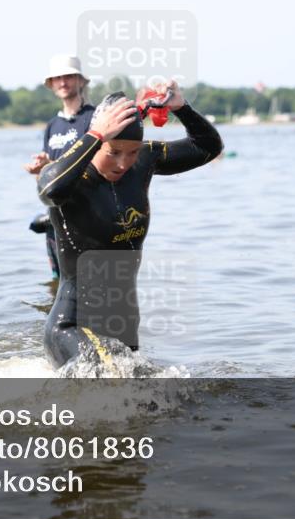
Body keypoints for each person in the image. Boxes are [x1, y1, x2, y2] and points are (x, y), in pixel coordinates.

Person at [36, 80, 223, 368]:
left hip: (122, 324)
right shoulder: (72, 177)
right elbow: (49, 190)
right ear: (97, 141)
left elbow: (208, 147)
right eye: (113, 152)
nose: (123, 163)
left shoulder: (144, 161)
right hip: (73, 325)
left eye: (132, 152)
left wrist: (181, 108)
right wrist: (96, 133)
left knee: (144, 404)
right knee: (109, 384)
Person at [25, 54, 95, 278]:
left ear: (81, 81)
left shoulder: (93, 118)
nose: (63, 82)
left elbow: (97, 166)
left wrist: (52, 165)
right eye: (58, 78)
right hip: (56, 216)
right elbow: (47, 182)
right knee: (59, 283)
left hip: (87, 213)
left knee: (89, 281)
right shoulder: (52, 126)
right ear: (52, 84)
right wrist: (40, 172)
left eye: (68, 77)